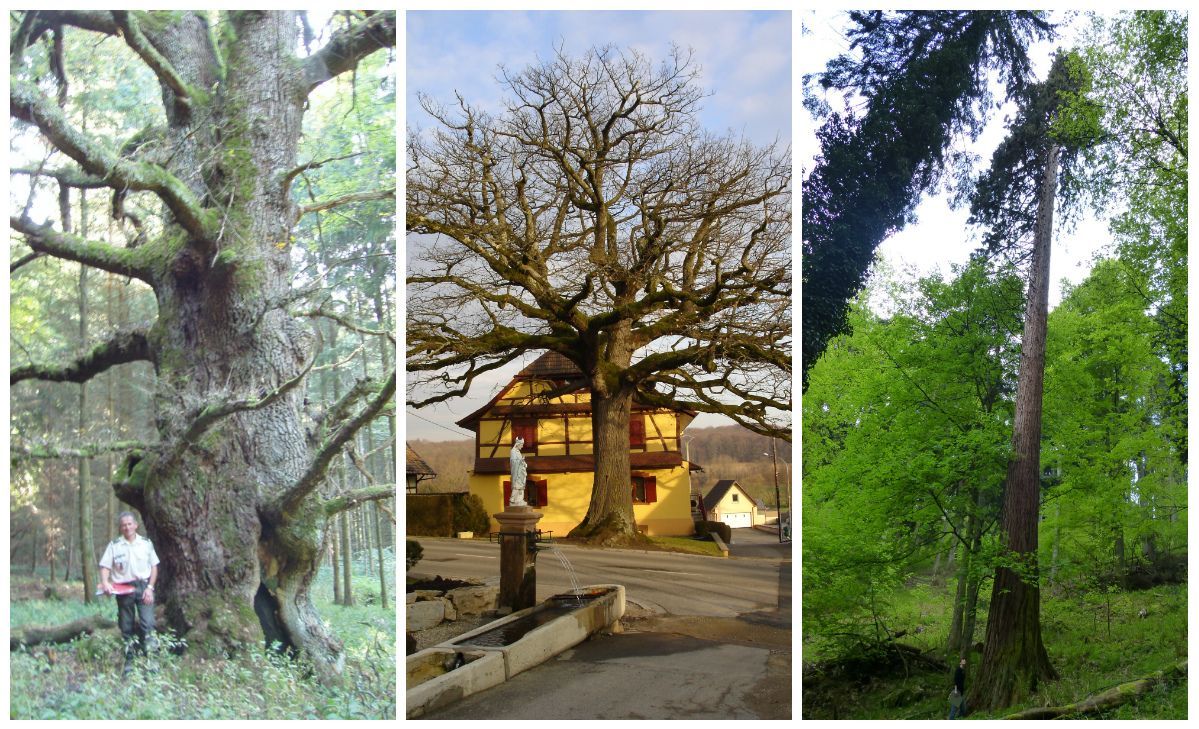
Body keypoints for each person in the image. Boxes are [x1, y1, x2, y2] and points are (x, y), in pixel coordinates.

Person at [99, 512, 160, 674]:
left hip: (143, 587)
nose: (127, 527)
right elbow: (105, 566)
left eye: (129, 524)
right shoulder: (114, 545)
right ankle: (129, 662)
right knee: (126, 626)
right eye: (123, 525)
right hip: (123, 589)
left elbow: (154, 567)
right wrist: (105, 582)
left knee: (148, 623)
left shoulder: (146, 544)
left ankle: (152, 661)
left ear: (135, 525)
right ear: (120, 527)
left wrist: (150, 588)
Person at [509, 436, 527, 506]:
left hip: (521, 472)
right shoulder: (513, 451)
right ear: (518, 444)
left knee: (521, 486)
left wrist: (524, 463)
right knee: (517, 486)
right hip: (517, 472)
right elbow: (513, 462)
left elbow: (520, 461)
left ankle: (520, 500)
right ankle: (512, 500)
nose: (522, 446)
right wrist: (520, 461)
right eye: (521, 445)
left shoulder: (518, 452)